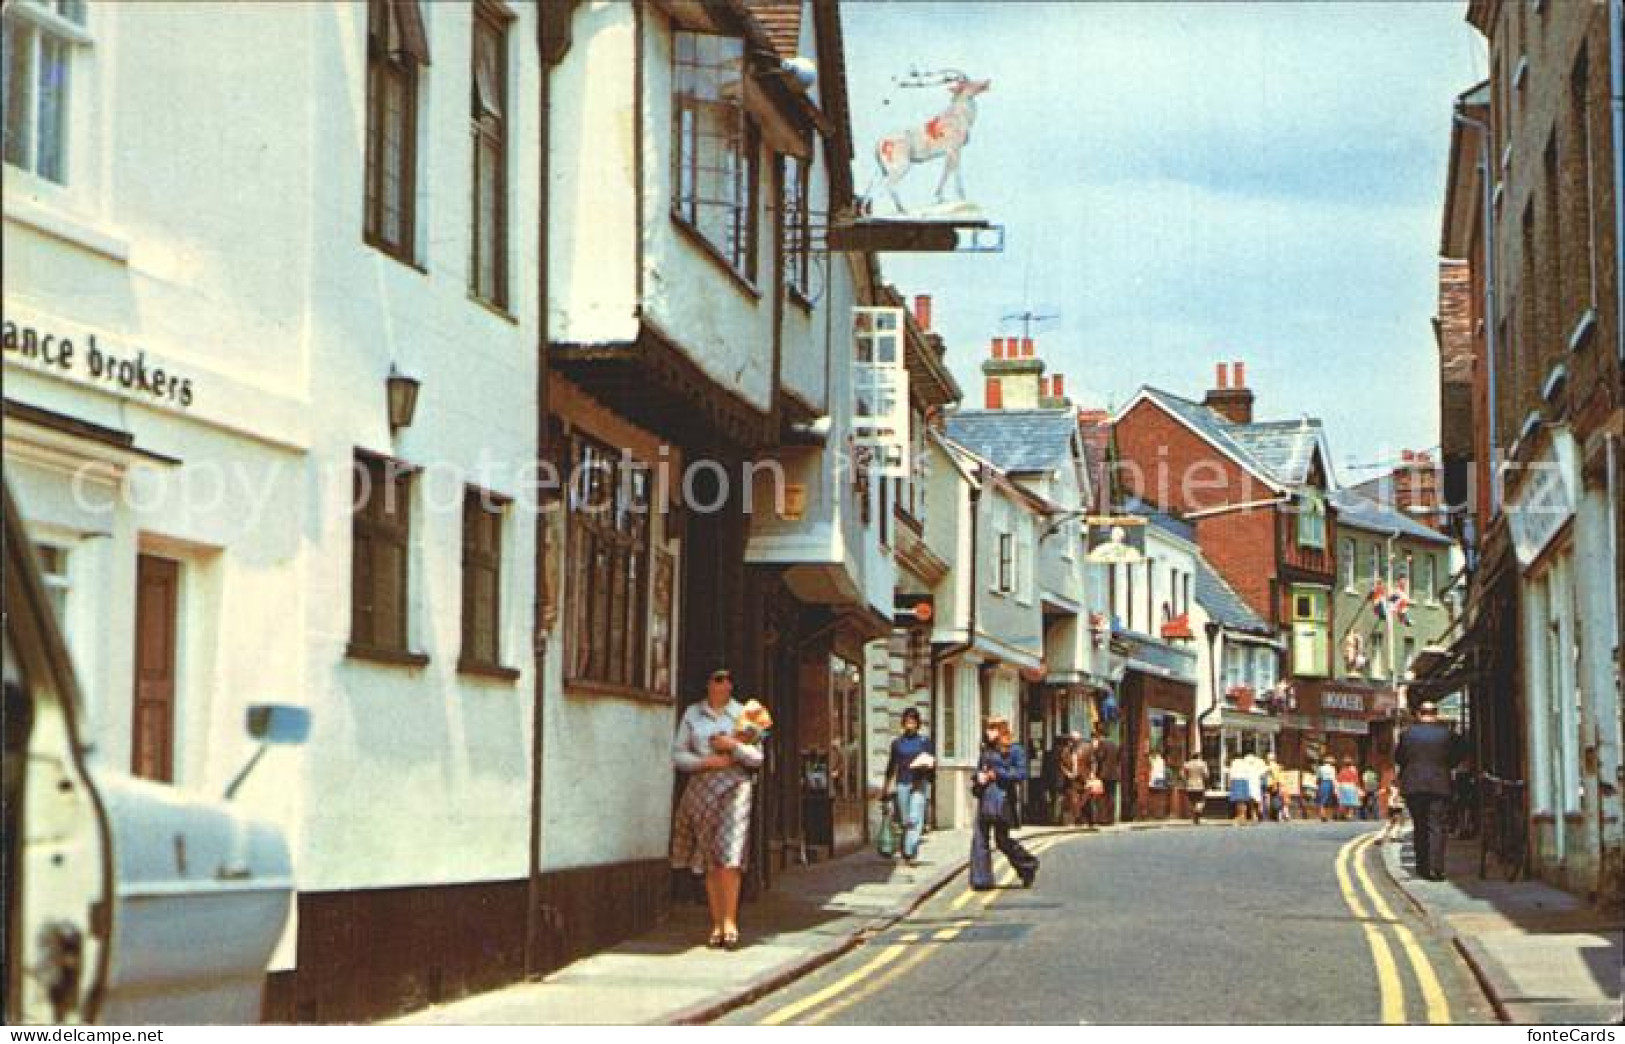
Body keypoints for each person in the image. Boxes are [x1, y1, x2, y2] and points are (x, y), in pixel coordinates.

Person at [670, 667, 763, 950]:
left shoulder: (745, 713)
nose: (724, 684)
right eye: (717, 679)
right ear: (707, 683)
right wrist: (704, 763)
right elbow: (678, 755)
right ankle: (717, 922)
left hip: (735, 786)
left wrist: (732, 746)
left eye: (729, 679)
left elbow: (757, 758)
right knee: (711, 855)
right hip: (702, 786)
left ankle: (731, 921)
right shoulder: (692, 714)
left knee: (731, 853)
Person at [1395, 702, 1466, 880]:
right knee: (1436, 826)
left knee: (1419, 826)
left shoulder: (1407, 734)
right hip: (1440, 784)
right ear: (1436, 714)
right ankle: (1436, 869)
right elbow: (1460, 754)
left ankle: (1422, 867)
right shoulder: (1448, 734)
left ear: (1419, 714)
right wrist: (1446, 766)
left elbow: (1399, 758)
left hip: (1413, 785)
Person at [969, 717, 1040, 890]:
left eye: (993, 729)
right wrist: (978, 777)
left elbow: (1021, 774)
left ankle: (1028, 865)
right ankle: (981, 880)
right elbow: (980, 770)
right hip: (985, 797)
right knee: (979, 838)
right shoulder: (986, 750)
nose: (989, 732)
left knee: (1002, 840)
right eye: (988, 728)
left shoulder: (1015, 750)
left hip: (1003, 800)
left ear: (1002, 731)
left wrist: (997, 774)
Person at [881, 707, 936, 867]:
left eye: (913, 721)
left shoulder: (924, 742)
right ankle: (906, 850)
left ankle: (910, 851)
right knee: (905, 820)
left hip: (919, 783)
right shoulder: (897, 743)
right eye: (907, 721)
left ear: (918, 723)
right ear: (903, 723)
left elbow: (932, 762)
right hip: (902, 783)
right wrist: (885, 787)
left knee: (915, 818)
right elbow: (891, 766)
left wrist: (928, 768)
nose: (910, 724)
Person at [1059, 732, 1093, 827]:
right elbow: (1061, 765)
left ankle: (1088, 820)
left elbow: (1093, 762)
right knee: (1075, 800)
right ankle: (1078, 820)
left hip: (1084, 778)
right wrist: (1067, 773)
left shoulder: (1086, 749)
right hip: (1072, 779)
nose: (1072, 742)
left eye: (1075, 740)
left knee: (1085, 800)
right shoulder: (1065, 751)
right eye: (1071, 740)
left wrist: (1092, 775)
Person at [1091, 733, 1121, 826]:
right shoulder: (1115, 745)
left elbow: (1100, 757)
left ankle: (1103, 819)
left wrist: (1095, 751)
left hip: (1104, 775)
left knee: (1102, 797)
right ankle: (1111, 819)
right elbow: (1118, 759)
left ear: (1097, 738)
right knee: (1111, 797)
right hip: (1114, 775)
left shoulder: (1102, 744)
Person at [1181, 750, 1210, 824]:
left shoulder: (1187, 764)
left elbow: (1182, 774)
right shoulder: (1202, 764)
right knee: (1201, 800)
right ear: (1198, 756)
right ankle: (1197, 813)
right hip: (1199, 784)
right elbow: (1206, 775)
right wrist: (1206, 782)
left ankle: (1195, 816)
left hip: (1190, 784)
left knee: (1192, 801)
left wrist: (1186, 780)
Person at [1378, 780, 1407, 845]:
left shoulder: (1393, 789)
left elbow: (1382, 791)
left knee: (1390, 822)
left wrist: (1381, 792)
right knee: (1399, 822)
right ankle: (1393, 836)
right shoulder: (1398, 789)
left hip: (1392, 806)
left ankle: (1379, 837)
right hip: (1397, 806)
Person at [1336, 757, 1362, 821]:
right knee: (1351, 802)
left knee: (1343, 801)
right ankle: (1349, 815)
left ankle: (1342, 815)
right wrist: (1358, 787)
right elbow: (1356, 780)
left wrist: (1337, 788)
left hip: (1344, 786)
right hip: (1351, 786)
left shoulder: (1342, 771)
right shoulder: (1354, 771)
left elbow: (1339, 779)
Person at [1274, 756, 1299, 823]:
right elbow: (1282, 783)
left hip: (1282, 790)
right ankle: (1285, 816)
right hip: (1283, 789)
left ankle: (1282, 817)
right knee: (1284, 804)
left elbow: (1278, 783)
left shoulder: (1278, 775)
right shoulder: (1282, 775)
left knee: (1282, 804)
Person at [1315, 756, 1338, 822]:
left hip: (1323, 783)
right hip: (1330, 783)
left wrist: (1318, 785)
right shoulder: (1332, 768)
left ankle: (1323, 814)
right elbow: (1334, 778)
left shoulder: (1321, 768)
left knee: (1322, 799)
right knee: (1329, 800)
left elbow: (1318, 777)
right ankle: (1327, 815)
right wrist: (1335, 787)